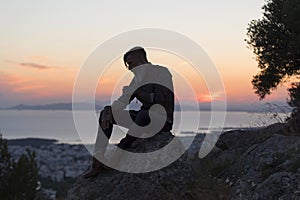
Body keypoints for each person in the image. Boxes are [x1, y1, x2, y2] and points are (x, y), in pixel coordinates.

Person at [84, 46, 174, 178]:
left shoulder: (161, 72)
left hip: (162, 120)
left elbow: (158, 101)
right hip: (143, 120)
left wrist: (136, 91)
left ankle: (119, 152)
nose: (129, 68)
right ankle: (98, 160)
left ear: (140, 58)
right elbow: (123, 101)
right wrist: (110, 109)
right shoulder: (137, 80)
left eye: (130, 63)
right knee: (106, 114)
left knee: (144, 114)